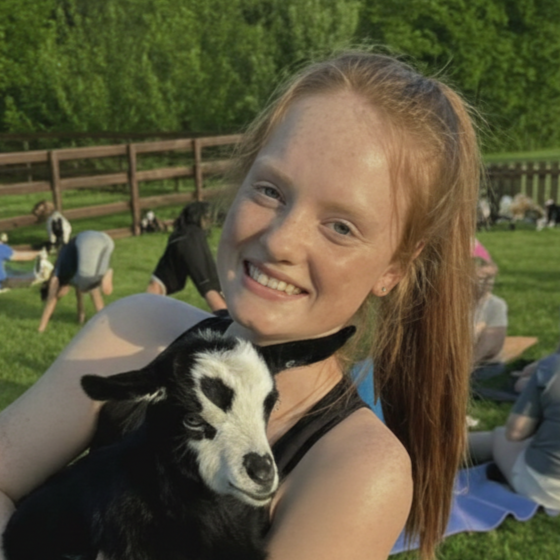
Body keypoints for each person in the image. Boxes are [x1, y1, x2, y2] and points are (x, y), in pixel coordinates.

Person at [0, 51, 480, 560]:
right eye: (271, 190)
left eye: (341, 226)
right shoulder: (137, 330)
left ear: (395, 268)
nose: (281, 241)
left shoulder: (356, 468)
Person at [469, 353, 560, 512]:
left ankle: (435, 447)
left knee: (497, 437)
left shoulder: (551, 367)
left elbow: (515, 433)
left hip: (546, 487)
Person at [146, 201, 227, 312]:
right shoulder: (195, 235)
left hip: (177, 240)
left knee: (159, 280)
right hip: (191, 241)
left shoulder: (180, 232)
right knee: (207, 283)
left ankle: (144, 311)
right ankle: (225, 317)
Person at [38, 230, 115, 332]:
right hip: (106, 240)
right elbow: (79, 295)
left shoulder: (57, 275)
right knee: (89, 284)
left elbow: (51, 301)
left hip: (86, 241)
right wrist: (81, 316)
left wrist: (41, 328)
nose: (60, 296)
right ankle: (104, 324)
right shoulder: (72, 275)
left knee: (88, 282)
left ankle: (104, 276)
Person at [472, 239, 508, 377]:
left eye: (490, 278)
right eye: (482, 278)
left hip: (481, 367)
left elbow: (489, 347)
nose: (488, 283)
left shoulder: (495, 305)